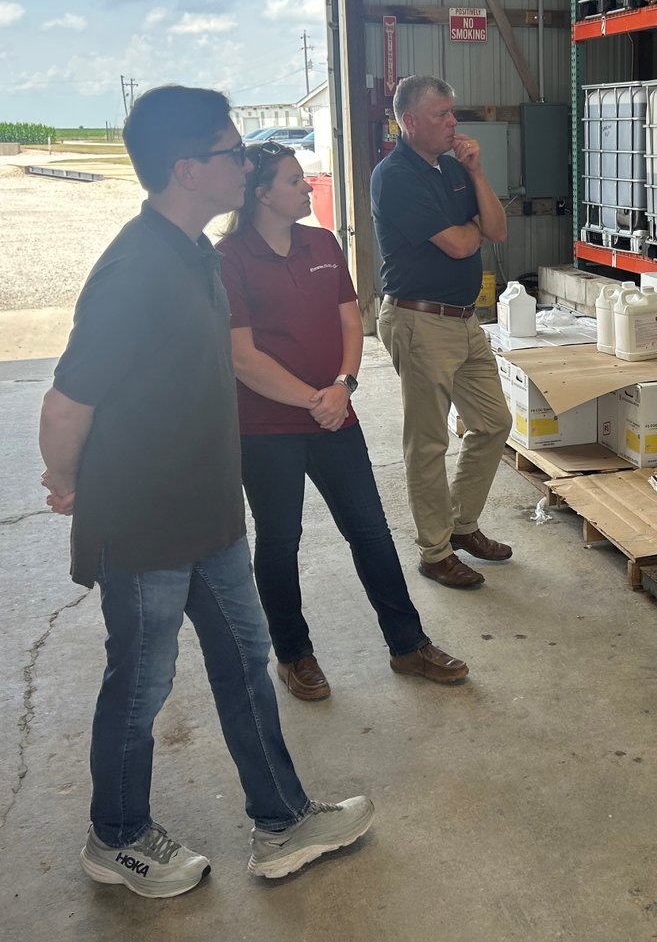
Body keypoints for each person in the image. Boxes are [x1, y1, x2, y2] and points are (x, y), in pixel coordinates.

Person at [38, 86, 374, 899]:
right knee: (143, 682)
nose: (247, 164)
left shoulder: (197, 251)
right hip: (146, 522)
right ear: (187, 169)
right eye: (233, 153)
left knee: (246, 662)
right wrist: (66, 479)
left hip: (212, 515)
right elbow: (65, 403)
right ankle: (115, 836)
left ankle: (282, 820)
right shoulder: (133, 268)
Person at [217, 141, 469, 700]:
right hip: (266, 429)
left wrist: (343, 386)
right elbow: (242, 357)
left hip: (336, 417)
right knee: (281, 542)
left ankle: (408, 644)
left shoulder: (323, 242)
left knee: (372, 533)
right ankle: (294, 654)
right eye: (292, 181)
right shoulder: (229, 257)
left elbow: (354, 324)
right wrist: (315, 398)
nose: (307, 188)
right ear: (261, 194)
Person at [371, 75, 514, 590]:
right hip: (419, 319)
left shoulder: (453, 170)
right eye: (441, 115)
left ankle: (461, 525)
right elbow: (457, 244)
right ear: (409, 121)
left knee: (494, 422)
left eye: (453, 113)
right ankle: (435, 552)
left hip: (463, 319)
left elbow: (495, 230)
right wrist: (471, 232)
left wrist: (476, 173)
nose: (453, 122)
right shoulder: (395, 176)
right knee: (428, 441)